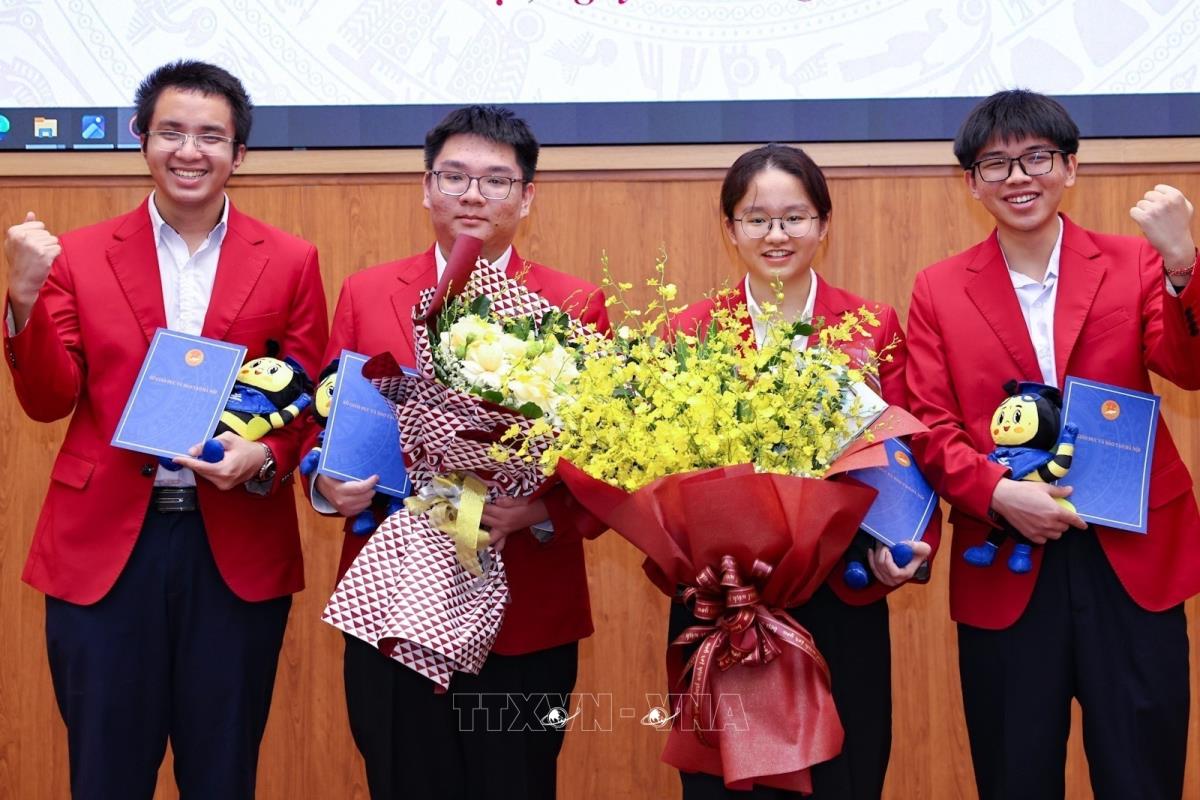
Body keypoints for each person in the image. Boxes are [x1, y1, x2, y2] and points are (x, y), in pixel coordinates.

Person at [1, 60, 328, 799]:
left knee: (222, 776)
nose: (190, 151)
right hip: (105, 549)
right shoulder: (80, 255)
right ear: (141, 140)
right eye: (171, 132)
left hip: (234, 549)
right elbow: (50, 400)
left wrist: (262, 456)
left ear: (239, 153)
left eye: (210, 136)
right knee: (105, 775)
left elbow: (306, 395)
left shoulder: (290, 260)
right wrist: (21, 301)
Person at [905, 89, 1200, 800]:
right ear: (971, 182)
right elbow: (929, 424)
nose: (1018, 177)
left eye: (1037, 157)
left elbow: (1188, 367)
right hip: (1007, 556)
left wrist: (1184, 267)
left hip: (1130, 555)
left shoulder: (1135, 262)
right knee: (1016, 777)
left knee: (1143, 777)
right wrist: (999, 494)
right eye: (996, 164)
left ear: (1071, 167)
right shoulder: (938, 289)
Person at [309, 104, 609, 800]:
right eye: (455, 177)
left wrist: (536, 510)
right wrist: (328, 485)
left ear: (526, 197)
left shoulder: (574, 304)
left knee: (519, 783)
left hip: (525, 600)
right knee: (403, 777)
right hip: (394, 596)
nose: (473, 195)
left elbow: (601, 457)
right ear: (427, 188)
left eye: (496, 181)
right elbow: (331, 420)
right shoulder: (367, 291)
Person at [669, 143, 939, 799]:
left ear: (823, 223)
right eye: (757, 218)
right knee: (726, 780)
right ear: (730, 228)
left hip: (840, 592)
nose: (777, 234)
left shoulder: (871, 326)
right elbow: (662, 470)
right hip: (727, 601)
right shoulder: (690, 330)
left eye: (794, 217)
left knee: (845, 774)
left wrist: (901, 550)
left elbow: (906, 454)